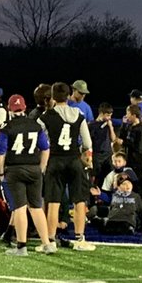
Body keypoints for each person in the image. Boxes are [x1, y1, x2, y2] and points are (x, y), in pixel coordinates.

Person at [38, 82, 96, 251]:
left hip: (55, 161)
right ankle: (80, 239)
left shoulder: (45, 117)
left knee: (53, 201)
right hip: (74, 160)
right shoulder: (79, 114)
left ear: (53, 97)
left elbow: (40, 141)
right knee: (79, 201)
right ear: (69, 95)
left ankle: (50, 241)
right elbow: (87, 143)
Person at [0, 93, 54, 256]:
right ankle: (47, 244)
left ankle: (21, 246)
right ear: (24, 108)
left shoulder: (7, 128)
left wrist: (0, 172)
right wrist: (41, 168)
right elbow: (45, 149)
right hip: (34, 168)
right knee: (36, 207)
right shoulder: (35, 125)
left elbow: (0, 153)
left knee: (20, 208)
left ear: (10, 109)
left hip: (15, 169)